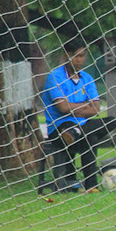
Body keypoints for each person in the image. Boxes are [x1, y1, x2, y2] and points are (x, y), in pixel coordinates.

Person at [41, 38, 111, 192]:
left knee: (112, 121)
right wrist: (85, 105)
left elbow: (96, 109)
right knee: (90, 137)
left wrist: (75, 108)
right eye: (76, 56)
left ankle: (76, 132)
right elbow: (62, 108)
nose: (79, 60)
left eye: (82, 56)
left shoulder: (87, 78)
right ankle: (91, 186)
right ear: (67, 55)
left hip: (81, 126)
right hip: (60, 128)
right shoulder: (56, 76)